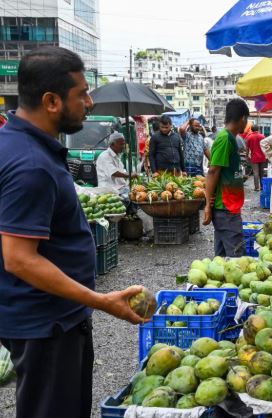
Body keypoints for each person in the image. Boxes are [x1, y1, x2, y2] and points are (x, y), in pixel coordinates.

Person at [0, 46, 145, 418]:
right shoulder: (31, 164)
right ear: (51, 101)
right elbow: (18, 258)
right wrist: (101, 301)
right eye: (81, 93)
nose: (90, 102)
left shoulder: (17, 145)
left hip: (49, 316)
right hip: (47, 323)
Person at [203, 99, 249, 257]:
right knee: (237, 259)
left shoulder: (231, 138)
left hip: (229, 208)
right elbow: (213, 171)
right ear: (243, 118)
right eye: (247, 120)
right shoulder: (225, 138)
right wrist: (207, 205)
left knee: (222, 259)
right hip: (226, 208)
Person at [246, 125, 267, 191]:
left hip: (254, 157)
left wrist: (247, 156)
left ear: (251, 130)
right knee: (262, 172)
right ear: (258, 129)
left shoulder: (249, 137)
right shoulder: (262, 136)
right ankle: (262, 187)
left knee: (255, 172)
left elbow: (247, 148)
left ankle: (256, 187)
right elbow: (266, 146)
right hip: (262, 157)